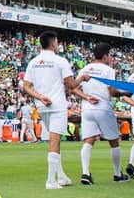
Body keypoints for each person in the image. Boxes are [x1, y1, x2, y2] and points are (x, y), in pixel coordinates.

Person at [21, 32, 94, 189]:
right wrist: (82, 78)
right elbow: (71, 85)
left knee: (55, 141)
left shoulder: (33, 62)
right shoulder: (60, 61)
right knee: (54, 142)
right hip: (57, 105)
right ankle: (50, 181)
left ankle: (61, 177)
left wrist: (40, 97)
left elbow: (26, 86)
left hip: (42, 105)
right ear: (53, 43)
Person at [75, 43, 134, 184]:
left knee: (88, 140)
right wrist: (125, 93)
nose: (110, 58)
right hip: (102, 107)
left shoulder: (85, 68)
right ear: (105, 56)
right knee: (114, 141)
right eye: (109, 55)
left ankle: (85, 173)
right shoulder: (108, 70)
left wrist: (86, 97)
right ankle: (117, 174)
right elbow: (112, 91)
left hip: (87, 108)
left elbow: (73, 88)